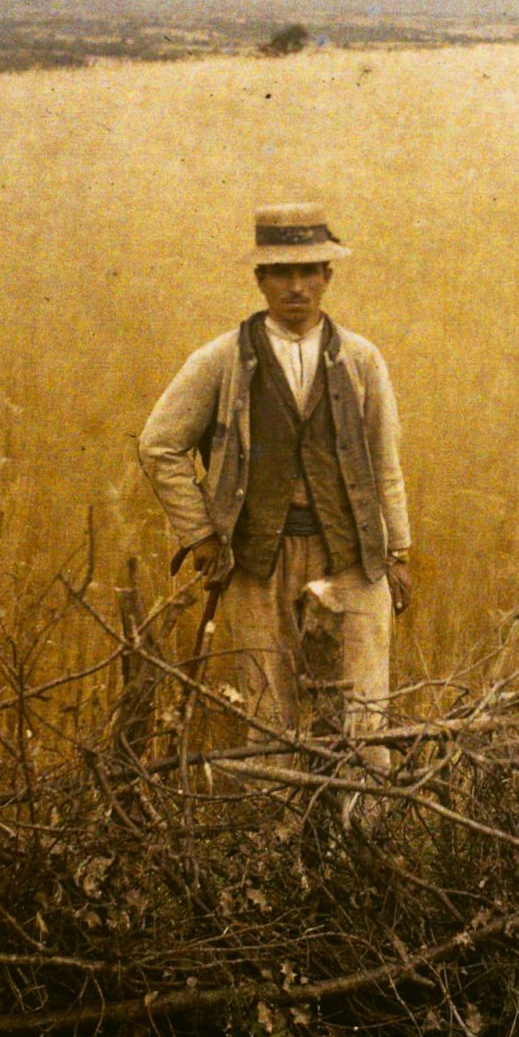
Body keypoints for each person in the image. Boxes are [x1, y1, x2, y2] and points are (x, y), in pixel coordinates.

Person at [138, 202, 411, 780]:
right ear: (259, 279)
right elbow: (159, 445)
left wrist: (398, 551)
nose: (296, 285)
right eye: (281, 272)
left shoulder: (361, 360)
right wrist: (203, 535)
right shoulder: (222, 360)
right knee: (270, 720)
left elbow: (386, 462)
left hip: (352, 557)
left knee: (364, 721)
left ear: (327, 278)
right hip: (257, 561)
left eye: (309, 270)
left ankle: (361, 848)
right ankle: (278, 856)